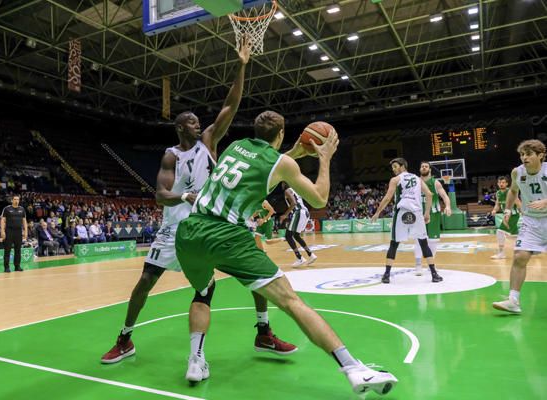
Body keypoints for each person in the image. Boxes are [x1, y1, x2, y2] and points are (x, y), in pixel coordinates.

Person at [101, 36, 297, 366]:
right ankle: (124, 339)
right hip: (173, 230)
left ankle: (263, 332)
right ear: (180, 128)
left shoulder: (209, 142)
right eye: (191, 121)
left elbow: (230, 106)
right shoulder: (171, 157)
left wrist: (242, 65)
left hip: (212, 226)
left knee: (255, 270)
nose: (198, 124)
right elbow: (160, 196)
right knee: (144, 284)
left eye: (198, 121)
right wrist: (184, 195)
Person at [176, 111, 397, 395]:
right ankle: (353, 368)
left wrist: (293, 153)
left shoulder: (235, 147)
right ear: (281, 134)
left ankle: (196, 361)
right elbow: (319, 197)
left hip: (190, 232)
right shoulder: (282, 163)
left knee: (203, 293)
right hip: (227, 236)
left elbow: (263, 166)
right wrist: (324, 158)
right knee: (291, 302)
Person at [492, 140, 547, 314]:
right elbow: (513, 191)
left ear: (540, 155)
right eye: (522, 154)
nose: (524, 157)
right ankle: (513, 301)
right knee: (520, 256)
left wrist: (545, 201)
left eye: (529, 154)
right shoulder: (517, 172)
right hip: (531, 220)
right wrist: (507, 209)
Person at [371, 158, 443, 284]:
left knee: (394, 243)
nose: (393, 169)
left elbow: (388, 198)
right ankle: (434, 274)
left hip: (402, 212)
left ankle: (387, 275)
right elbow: (429, 194)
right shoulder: (418, 179)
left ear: (402, 166)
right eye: (392, 167)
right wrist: (426, 213)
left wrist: (377, 212)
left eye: (395, 166)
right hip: (417, 213)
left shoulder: (395, 180)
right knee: (424, 243)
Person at [412, 162, 452, 274]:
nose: (424, 168)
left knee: (433, 241)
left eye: (426, 166)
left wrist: (448, 206)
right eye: (422, 166)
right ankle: (418, 265)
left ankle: (431, 265)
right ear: (420, 169)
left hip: (434, 213)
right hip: (418, 214)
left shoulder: (435, 183)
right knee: (418, 240)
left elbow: (444, 196)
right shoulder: (414, 182)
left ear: (430, 169)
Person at [280, 183, 316, 266]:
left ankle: (300, 258)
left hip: (299, 212)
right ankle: (311, 255)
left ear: (285, 183)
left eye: (282, 183)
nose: (281, 185)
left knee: (288, 236)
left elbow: (293, 203)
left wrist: (285, 215)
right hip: (305, 212)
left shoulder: (287, 190)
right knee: (296, 235)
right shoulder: (295, 190)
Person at [490, 176, 522, 259]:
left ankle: (501, 253)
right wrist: (494, 210)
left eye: (503, 182)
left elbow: (518, 202)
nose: (501, 184)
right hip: (507, 215)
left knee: (500, 232)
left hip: (513, 215)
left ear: (507, 183)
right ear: (497, 184)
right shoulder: (498, 193)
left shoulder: (510, 192)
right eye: (500, 182)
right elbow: (497, 204)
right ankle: (530, 249)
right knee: (515, 236)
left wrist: (523, 212)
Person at [0, 195, 27, 272]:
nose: (16, 201)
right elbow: (3, 220)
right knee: (7, 250)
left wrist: (26, 232)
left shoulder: (22, 209)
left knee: (18, 250)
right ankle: (6, 267)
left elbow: (24, 221)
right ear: (12, 200)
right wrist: (2, 231)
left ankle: (17, 266)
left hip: (18, 232)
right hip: (9, 231)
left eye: (18, 199)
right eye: (15, 199)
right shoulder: (7, 209)